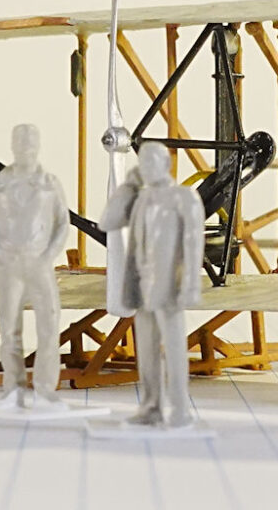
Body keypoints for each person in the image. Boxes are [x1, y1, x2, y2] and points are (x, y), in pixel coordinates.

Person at [99, 142, 206, 428]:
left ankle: (180, 410)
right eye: (142, 163)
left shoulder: (184, 197)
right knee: (146, 352)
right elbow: (107, 222)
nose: (145, 168)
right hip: (141, 286)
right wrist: (127, 187)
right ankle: (150, 408)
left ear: (165, 164)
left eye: (151, 163)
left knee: (174, 350)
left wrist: (191, 285)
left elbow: (193, 243)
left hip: (170, 286)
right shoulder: (140, 198)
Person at [0, 123, 71, 411]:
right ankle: (13, 389)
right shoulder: (0, 184)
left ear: (38, 146)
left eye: (31, 142)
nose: (26, 147)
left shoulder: (49, 183)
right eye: (21, 142)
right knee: (9, 328)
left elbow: (63, 223)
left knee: (49, 325)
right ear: (12, 145)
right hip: (8, 264)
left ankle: (45, 390)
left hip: (39, 261)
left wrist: (48, 255)